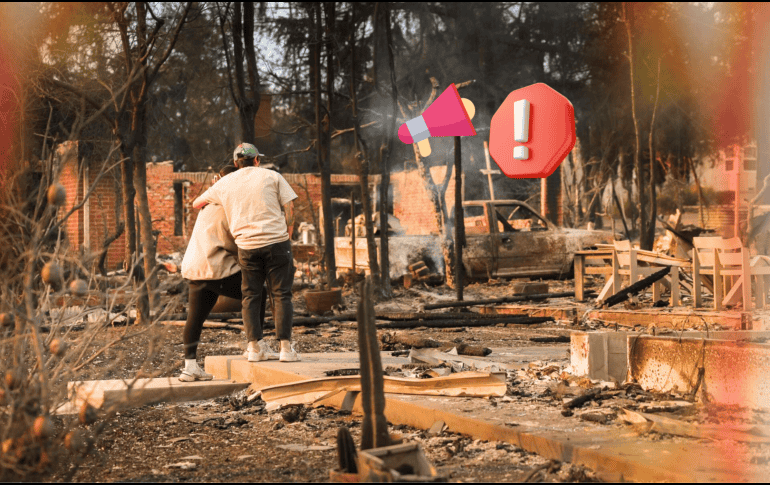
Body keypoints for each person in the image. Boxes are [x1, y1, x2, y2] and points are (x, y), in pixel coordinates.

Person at [193, 143, 300, 362]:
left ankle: (253, 348)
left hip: (247, 246)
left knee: (251, 295)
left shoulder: (226, 183)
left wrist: (216, 188)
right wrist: (287, 235)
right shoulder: (272, 176)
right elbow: (289, 208)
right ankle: (286, 349)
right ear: (257, 160)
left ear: (235, 163)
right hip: (277, 242)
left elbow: (196, 204)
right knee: (281, 294)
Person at [178, 165, 274, 381]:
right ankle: (255, 345)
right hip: (216, 266)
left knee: (195, 317)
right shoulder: (231, 206)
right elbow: (240, 241)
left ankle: (190, 366)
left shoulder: (209, 203)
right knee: (257, 293)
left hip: (196, 267)